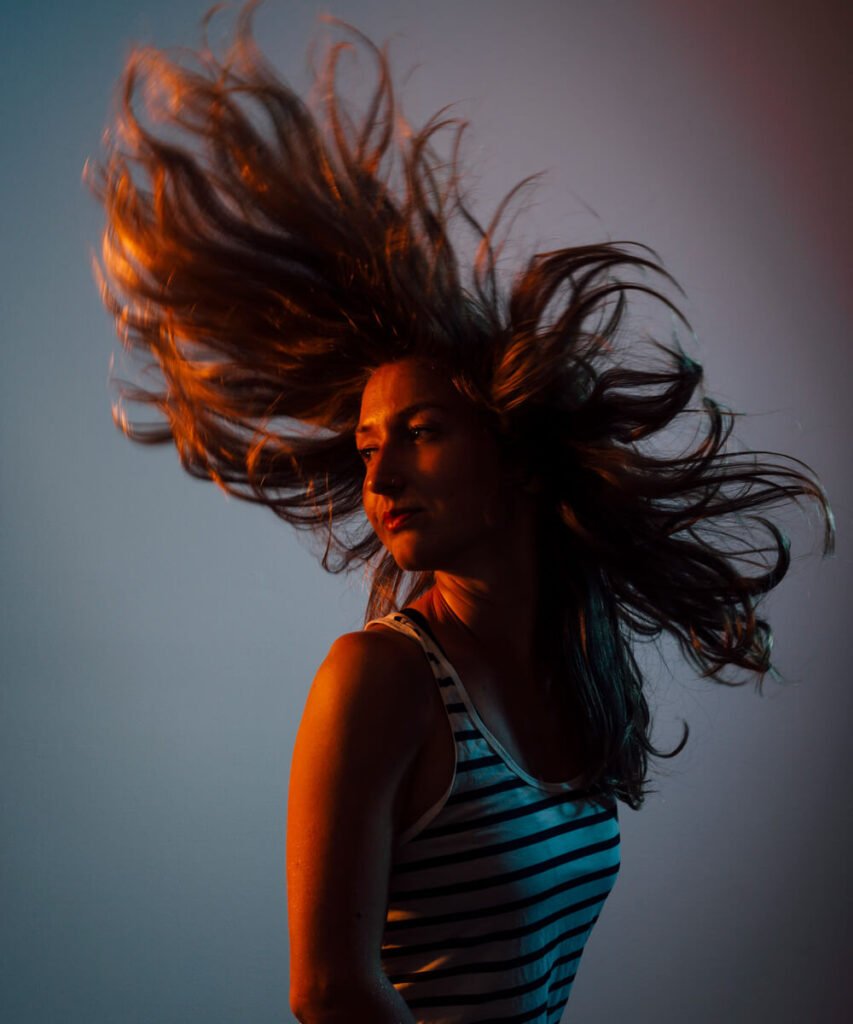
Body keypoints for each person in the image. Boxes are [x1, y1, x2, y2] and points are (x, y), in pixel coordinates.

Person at [89, 4, 835, 1021]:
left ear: (515, 457)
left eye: (422, 431)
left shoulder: (576, 664)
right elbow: (329, 991)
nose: (382, 474)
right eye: (367, 448)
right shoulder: (378, 681)